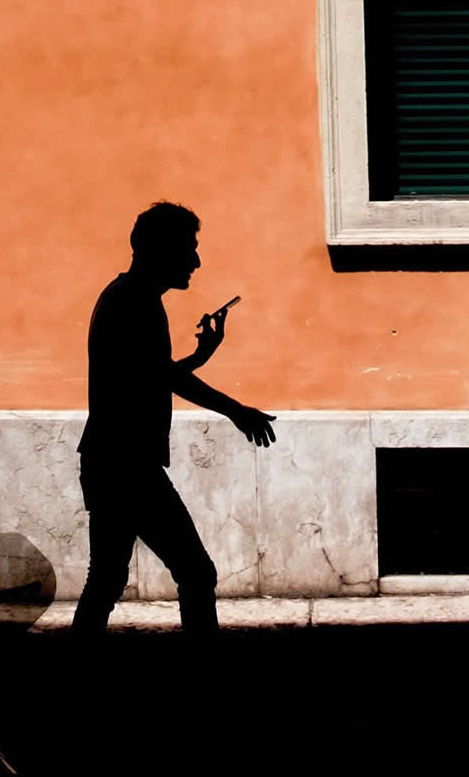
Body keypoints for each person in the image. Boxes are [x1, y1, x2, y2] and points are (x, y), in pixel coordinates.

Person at [72, 201, 276, 638]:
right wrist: (236, 411)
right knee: (195, 572)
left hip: (114, 461)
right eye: (189, 248)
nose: (196, 261)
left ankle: (79, 678)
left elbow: (149, 376)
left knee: (106, 581)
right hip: (126, 465)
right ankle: (203, 679)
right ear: (160, 249)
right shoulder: (134, 303)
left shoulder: (129, 297)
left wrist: (201, 355)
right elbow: (161, 377)